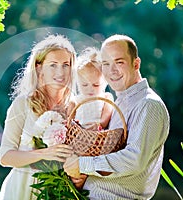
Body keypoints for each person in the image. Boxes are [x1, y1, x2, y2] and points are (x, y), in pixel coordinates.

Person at [63, 34, 170, 200]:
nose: (111, 71)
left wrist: (82, 165)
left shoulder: (148, 104)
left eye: (119, 62)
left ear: (136, 64)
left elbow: (134, 159)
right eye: (106, 64)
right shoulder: (120, 103)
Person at [0, 34, 76, 200]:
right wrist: (44, 153)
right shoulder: (23, 104)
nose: (60, 72)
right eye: (53, 65)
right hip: (22, 190)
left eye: (66, 65)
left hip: (59, 192)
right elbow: (5, 157)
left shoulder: (75, 107)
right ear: (39, 67)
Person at [74, 47, 113, 130]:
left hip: (99, 135)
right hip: (78, 135)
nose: (90, 89)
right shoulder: (76, 100)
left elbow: (106, 117)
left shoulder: (106, 97)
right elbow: (70, 119)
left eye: (96, 85)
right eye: (84, 85)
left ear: (105, 82)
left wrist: (98, 125)